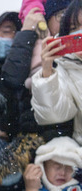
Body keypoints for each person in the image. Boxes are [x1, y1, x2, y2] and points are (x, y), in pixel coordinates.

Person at [0, 4, 74, 141]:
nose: (67, 20)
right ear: (46, 20)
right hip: (35, 134)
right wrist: (26, 33)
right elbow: (12, 80)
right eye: (61, 15)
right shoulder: (35, 47)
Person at [31, 0, 82, 146]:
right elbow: (52, 114)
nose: (79, 33)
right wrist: (46, 71)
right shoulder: (64, 70)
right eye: (74, 28)